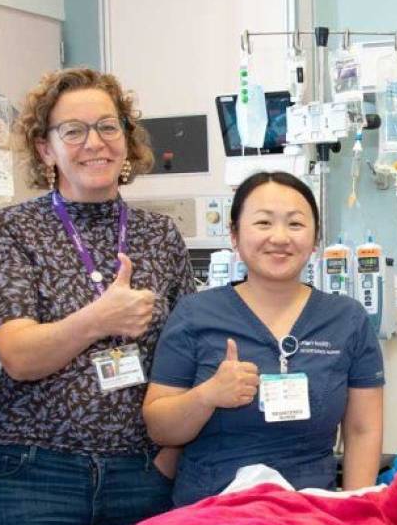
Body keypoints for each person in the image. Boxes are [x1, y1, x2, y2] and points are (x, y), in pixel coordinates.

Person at [0, 67, 196, 525]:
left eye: (107, 127)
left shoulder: (159, 235)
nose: (94, 143)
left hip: (138, 480)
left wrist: (164, 461)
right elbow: (19, 354)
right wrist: (101, 317)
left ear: (127, 139)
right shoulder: (14, 229)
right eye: (73, 130)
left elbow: (184, 354)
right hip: (32, 481)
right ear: (45, 148)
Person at [144, 171, 383, 501]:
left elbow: (362, 431)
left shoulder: (347, 319)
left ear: (315, 240)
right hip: (212, 512)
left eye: (296, 224)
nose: (280, 237)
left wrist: (356, 515)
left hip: (309, 513)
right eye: (263, 223)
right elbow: (159, 427)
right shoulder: (194, 314)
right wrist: (207, 396)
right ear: (234, 235)